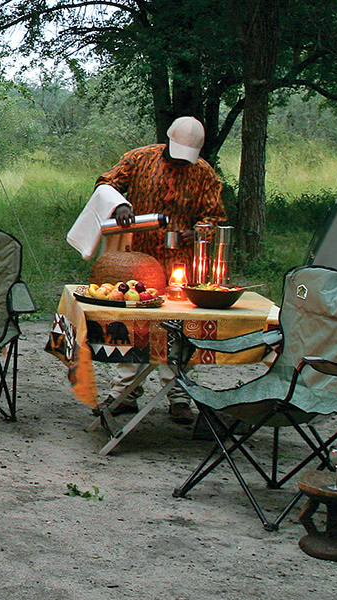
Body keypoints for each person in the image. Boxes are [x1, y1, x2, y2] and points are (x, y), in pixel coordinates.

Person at [91, 116, 226, 424]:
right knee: (133, 325)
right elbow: (105, 183)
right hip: (136, 259)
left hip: (180, 265)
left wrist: (200, 232)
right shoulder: (139, 159)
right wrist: (119, 204)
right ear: (167, 142)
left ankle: (179, 395)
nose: (180, 164)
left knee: (178, 330)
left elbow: (213, 216)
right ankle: (124, 393)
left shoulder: (205, 174)